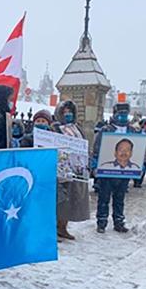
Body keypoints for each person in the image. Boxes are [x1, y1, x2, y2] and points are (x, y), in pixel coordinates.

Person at [92, 103, 136, 234]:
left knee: (120, 199)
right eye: (120, 113)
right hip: (107, 171)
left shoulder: (132, 131)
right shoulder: (106, 130)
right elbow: (96, 149)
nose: (122, 116)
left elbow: (138, 149)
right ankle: (101, 222)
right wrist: (95, 165)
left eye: (125, 113)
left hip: (124, 171)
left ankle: (119, 222)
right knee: (103, 198)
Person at [51, 100, 90, 240]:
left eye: (70, 112)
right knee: (59, 200)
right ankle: (54, 228)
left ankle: (63, 227)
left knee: (70, 200)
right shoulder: (55, 128)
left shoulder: (77, 128)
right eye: (65, 112)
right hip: (61, 169)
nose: (68, 115)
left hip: (76, 168)